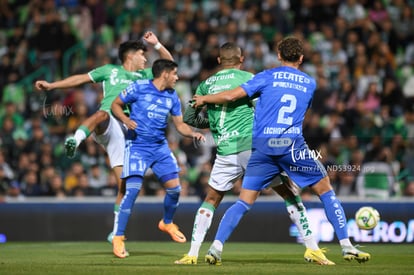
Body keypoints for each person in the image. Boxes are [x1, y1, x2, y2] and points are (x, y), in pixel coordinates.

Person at [193, 36, 371, 265]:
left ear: (278, 55)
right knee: (325, 189)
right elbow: (302, 112)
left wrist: (204, 98)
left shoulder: (266, 76)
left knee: (244, 201)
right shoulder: (309, 83)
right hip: (291, 146)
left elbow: (231, 96)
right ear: (302, 58)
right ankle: (346, 245)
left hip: (262, 148)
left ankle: (216, 248)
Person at [35, 31, 174, 245]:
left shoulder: (145, 76)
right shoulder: (109, 70)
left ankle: (115, 232)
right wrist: (52, 85)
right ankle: (76, 139)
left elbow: (169, 65)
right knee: (101, 112)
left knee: (125, 186)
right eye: (142, 54)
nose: (145, 59)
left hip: (128, 131)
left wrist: (157, 44)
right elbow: (80, 79)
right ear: (131, 56)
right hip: (109, 122)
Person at [110, 59, 205, 258]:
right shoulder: (138, 87)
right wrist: (126, 120)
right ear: (165, 74)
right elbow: (115, 105)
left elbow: (180, 125)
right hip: (137, 145)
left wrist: (194, 133)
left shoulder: (172, 96)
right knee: (133, 190)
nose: (177, 77)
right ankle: (118, 237)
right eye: (175, 74)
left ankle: (167, 222)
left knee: (175, 189)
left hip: (160, 147)